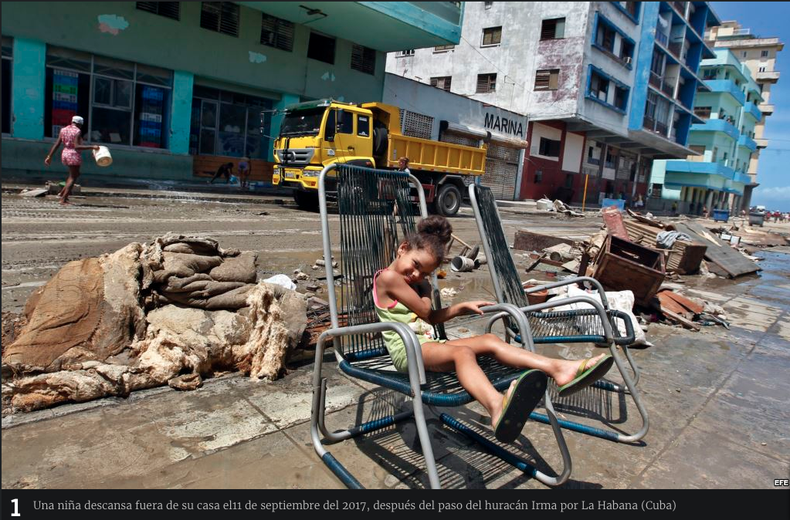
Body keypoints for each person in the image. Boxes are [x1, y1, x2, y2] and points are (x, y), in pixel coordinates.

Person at [373, 215, 614, 443]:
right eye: (415, 265)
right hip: (408, 352)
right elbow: (426, 312)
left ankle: (560, 369)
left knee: (489, 339)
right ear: (403, 248)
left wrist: (461, 306)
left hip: (426, 346)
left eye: (424, 273)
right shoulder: (388, 278)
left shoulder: (408, 282)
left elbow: (433, 317)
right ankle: (496, 406)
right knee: (462, 353)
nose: (416, 275)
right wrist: (427, 290)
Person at [44, 116, 100, 205]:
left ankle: (62, 193)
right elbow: (76, 146)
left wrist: (49, 156)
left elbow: (57, 144)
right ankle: (63, 199)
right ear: (79, 124)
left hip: (65, 153)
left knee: (74, 174)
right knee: (73, 177)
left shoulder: (64, 130)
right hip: (73, 154)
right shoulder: (77, 131)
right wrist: (92, 147)